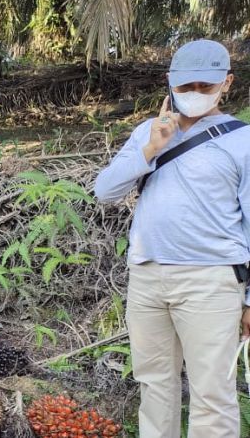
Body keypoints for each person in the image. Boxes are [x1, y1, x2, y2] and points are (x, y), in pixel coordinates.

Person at [94, 39, 250, 437]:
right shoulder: (149, 131)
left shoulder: (242, 141)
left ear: (226, 83)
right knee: (154, 386)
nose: (195, 94)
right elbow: (105, 192)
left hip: (211, 281)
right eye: (186, 87)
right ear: (170, 83)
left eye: (205, 86)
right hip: (147, 276)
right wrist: (151, 147)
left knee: (212, 395)